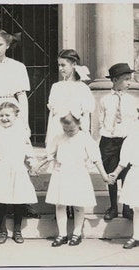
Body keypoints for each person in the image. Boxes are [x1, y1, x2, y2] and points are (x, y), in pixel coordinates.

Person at [0, 29, 39, 218]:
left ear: (7, 45)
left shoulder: (17, 67)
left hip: (11, 109)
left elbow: (22, 96)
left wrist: (25, 122)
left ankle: (21, 200)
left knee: (16, 155)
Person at [34, 111, 110, 247]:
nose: (68, 132)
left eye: (72, 129)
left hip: (78, 174)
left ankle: (77, 233)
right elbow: (49, 154)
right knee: (60, 204)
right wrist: (38, 165)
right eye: (65, 129)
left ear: (79, 124)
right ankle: (62, 234)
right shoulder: (59, 137)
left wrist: (104, 175)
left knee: (78, 204)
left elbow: (96, 159)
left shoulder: (85, 138)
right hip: (61, 173)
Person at [0, 102, 38, 244]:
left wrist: (33, 163)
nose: (4, 118)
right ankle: (2, 230)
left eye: (8, 115)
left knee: (19, 200)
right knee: (1, 201)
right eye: (1, 115)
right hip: (0, 169)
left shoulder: (21, 131)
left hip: (17, 169)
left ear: (16, 116)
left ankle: (17, 230)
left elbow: (27, 149)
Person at [46, 49, 95, 220]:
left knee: (74, 170)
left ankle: (75, 208)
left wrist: (84, 132)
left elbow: (86, 113)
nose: (61, 68)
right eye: (59, 65)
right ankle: (63, 206)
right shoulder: (56, 87)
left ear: (74, 65)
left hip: (75, 132)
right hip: (59, 131)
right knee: (61, 170)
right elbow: (53, 114)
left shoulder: (82, 88)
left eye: (64, 65)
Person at [99, 63, 138, 221]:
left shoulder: (133, 100)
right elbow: (101, 121)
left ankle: (127, 208)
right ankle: (113, 207)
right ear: (115, 80)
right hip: (109, 141)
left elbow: (135, 121)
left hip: (126, 141)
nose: (129, 82)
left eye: (130, 79)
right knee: (111, 175)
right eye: (126, 79)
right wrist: (107, 133)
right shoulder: (104, 100)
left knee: (127, 174)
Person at [109, 122, 139, 249]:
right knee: (137, 208)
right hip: (137, 172)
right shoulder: (133, 137)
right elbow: (124, 160)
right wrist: (115, 174)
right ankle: (136, 236)